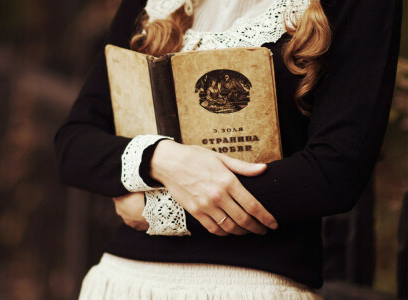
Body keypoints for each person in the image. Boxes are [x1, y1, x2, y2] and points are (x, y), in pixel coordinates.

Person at [54, 0, 402, 299]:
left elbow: (334, 173)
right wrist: (163, 159)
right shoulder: (158, 3)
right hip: (122, 283)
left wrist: (156, 208)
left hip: (254, 285)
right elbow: (73, 144)